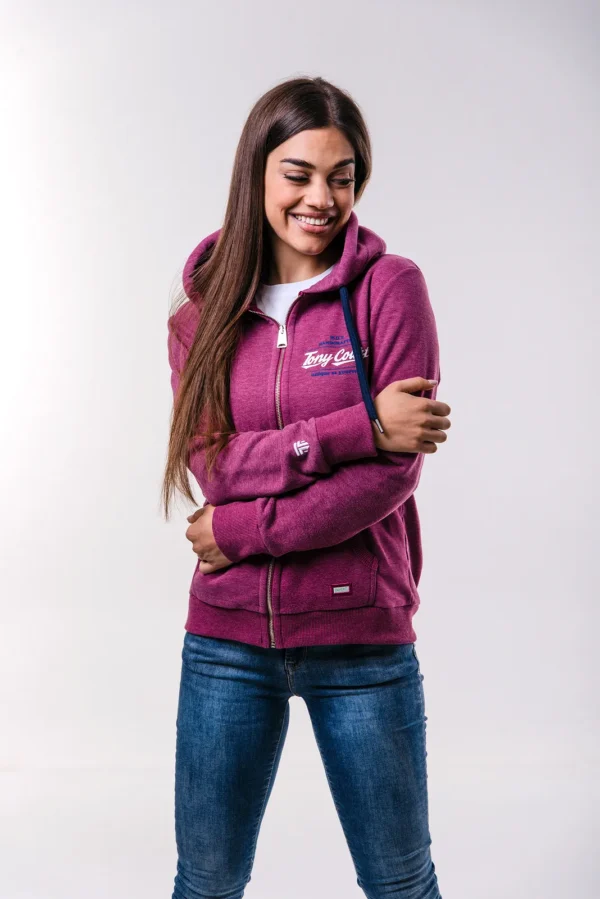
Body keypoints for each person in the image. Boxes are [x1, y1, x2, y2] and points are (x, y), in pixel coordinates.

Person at [162, 75, 450, 899]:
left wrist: (241, 531)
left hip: (362, 640)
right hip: (225, 644)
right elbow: (213, 464)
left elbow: (393, 472)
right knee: (206, 882)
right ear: (256, 172)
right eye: (299, 174)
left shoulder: (391, 289)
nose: (321, 198)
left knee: (401, 882)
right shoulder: (201, 314)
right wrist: (359, 426)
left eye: (342, 176)